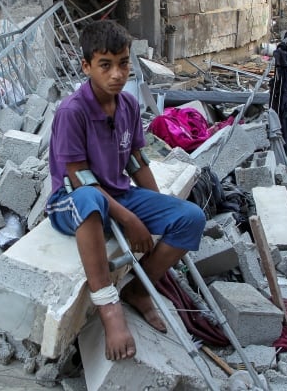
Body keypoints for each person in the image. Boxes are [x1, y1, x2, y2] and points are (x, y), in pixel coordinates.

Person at [45, 20, 206, 361]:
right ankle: (109, 308)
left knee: (190, 217)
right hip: (71, 202)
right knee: (89, 196)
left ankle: (137, 288)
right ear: (87, 66)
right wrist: (130, 219)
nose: (117, 74)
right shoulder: (72, 112)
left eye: (123, 63)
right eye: (105, 65)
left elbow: (136, 161)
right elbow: (78, 178)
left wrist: (159, 208)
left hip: (118, 195)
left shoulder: (129, 105)